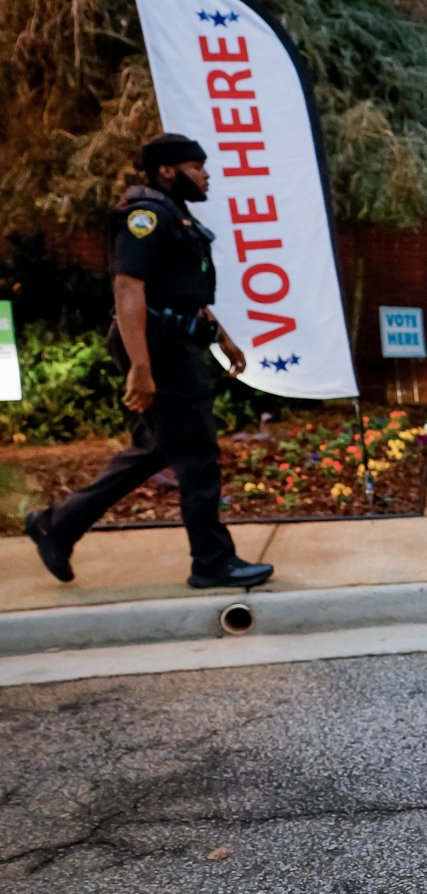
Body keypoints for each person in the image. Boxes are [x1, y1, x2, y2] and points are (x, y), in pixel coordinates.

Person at [24, 134, 274, 589]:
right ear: (167, 170)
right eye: (196, 167)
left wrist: (224, 339)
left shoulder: (176, 218)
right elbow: (128, 288)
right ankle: (212, 562)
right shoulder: (146, 217)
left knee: (157, 448)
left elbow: (181, 294)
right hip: (157, 348)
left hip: (169, 342)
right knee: (197, 454)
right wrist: (141, 366)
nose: (205, 174)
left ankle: (56, 526)